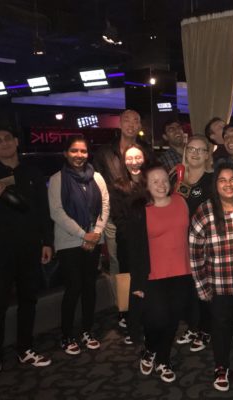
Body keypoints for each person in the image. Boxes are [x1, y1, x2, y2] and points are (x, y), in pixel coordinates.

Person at [0, 129, 53, 387]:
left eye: (7, 138)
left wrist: (47, 242)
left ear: (16, 142)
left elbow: (42, 210)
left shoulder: (32, 172)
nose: (4, 143)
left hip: (29, 247)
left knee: (29, 299)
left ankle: (25, 348)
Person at [189, 162, 233, 391]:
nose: (228, 184)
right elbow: (195, 251)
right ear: (215, 184)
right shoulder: (205, 210)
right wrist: (201, 286)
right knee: (221, 328)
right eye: (222, 180)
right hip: (219, 284)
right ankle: (221, 366)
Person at [48, 135, 109, 355]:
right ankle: (67, 335)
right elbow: (57, 212)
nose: (79, 155)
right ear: (66, 153)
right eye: (74, 151)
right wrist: (84, 235)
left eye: (83, 151)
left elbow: (105, 205)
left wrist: (96, 233)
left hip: (94, 239)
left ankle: (87, 330)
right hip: (69, 241)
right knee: (73, 287)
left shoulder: (97, 177)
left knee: (89, 286)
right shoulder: (57, 179)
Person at [93, 109, 148, 329]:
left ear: (140, 125)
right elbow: (100, 186)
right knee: (119, 263)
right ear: (119, 123)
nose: (131, 124)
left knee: (142, 261)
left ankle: (142, 303)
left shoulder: (146, 150)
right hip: (115, 218)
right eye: (127, 120)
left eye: (136, 120)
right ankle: (123, 308)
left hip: (141, 218)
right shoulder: (105, 153)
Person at [138, 163, 192, 383]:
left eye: (164, 180)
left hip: (182, 270)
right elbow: (135, 248)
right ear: (146, 186)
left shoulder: (181, 201)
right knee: (157, 319)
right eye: (155, 181)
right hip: (154, 274)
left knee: (172, 319)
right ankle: (150, 348)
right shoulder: (142, 210)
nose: (161, 185)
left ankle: (163, 359)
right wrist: (137, 282)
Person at [173, 135, 214, 352]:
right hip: (178, 242)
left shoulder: (212, 179)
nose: (195, 153)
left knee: (203, 286)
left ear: (207, 155)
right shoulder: (176, 176)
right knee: (185, 288)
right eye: (191, 149)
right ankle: (192, 325)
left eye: (200, 150)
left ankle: (205, 328)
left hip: (204, 244)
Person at [109, 144, 149, 345]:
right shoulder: (118, 186)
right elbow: (118, 218)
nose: (134, 162)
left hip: (151, 242)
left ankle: (148, 322)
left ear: (145, 158)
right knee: (131, 284)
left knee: (149, 282)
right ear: (124, 162)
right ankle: (131, 324)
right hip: (129, 243)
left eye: (138, 157)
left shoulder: (151, 181)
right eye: (129, 158)